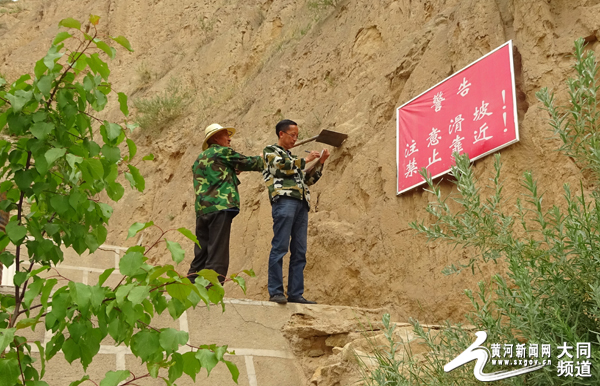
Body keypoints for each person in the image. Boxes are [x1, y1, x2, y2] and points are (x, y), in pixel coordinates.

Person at [263, 119, 330, 304]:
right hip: (284, 201)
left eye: (297, 136)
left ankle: (295, 294)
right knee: (280, 247)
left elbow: (307, 180)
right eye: (292, 135)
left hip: (301, 203)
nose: (295, 139)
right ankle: (276, 291)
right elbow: (280, 167)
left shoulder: (293, 160)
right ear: (281, 134)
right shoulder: (271, 152)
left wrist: (320, 162)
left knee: (299, 250)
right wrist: (305, 160)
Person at [189, 123, 264, 284]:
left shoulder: (199, 159)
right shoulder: (222, 152)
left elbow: (215, 176)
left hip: (203, 210)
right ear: (216, 138)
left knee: (201, 252)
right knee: (218, 251)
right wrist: (261, 159)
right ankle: (212, 289)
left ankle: (189, 286)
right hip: (220, 206)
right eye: (226, 135)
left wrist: (232, 170)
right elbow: (249, 162)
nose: (229, 139)